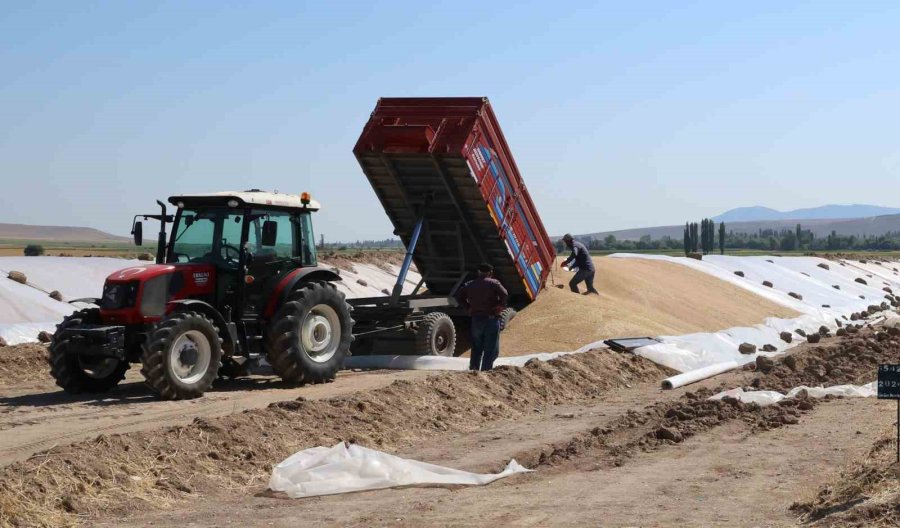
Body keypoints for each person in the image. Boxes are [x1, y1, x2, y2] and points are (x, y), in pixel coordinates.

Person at [454, 263, 509, 371]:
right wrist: (500, 306)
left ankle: (474, 370)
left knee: (476, 347)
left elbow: (459, 296)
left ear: (478, 272)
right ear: (490, 273)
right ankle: (485, 371)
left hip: (476, 319)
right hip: (491, 319)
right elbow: (505, 294)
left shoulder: (470, 284)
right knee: (491, 349)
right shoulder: (494, 283)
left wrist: (468, 307)